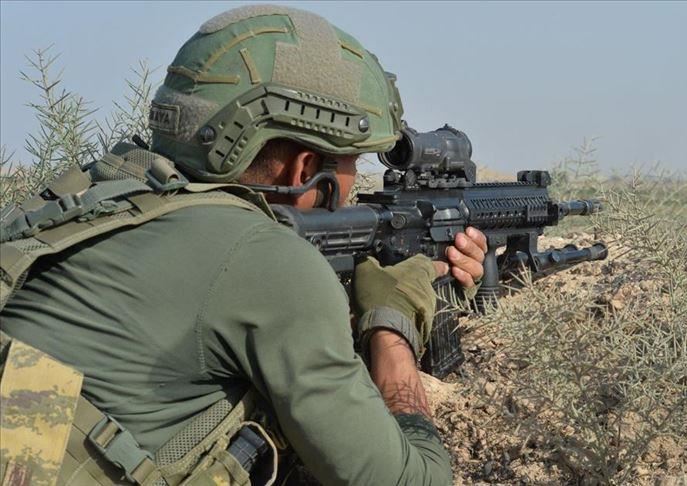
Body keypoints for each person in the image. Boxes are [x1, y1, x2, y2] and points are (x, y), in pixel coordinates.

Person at [0, 5, 487, 485]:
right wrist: (391, 324)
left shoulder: (83, 200)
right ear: (303, 168)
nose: (355, 182)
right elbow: (413, 481)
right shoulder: (265, 260)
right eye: (353, 163)